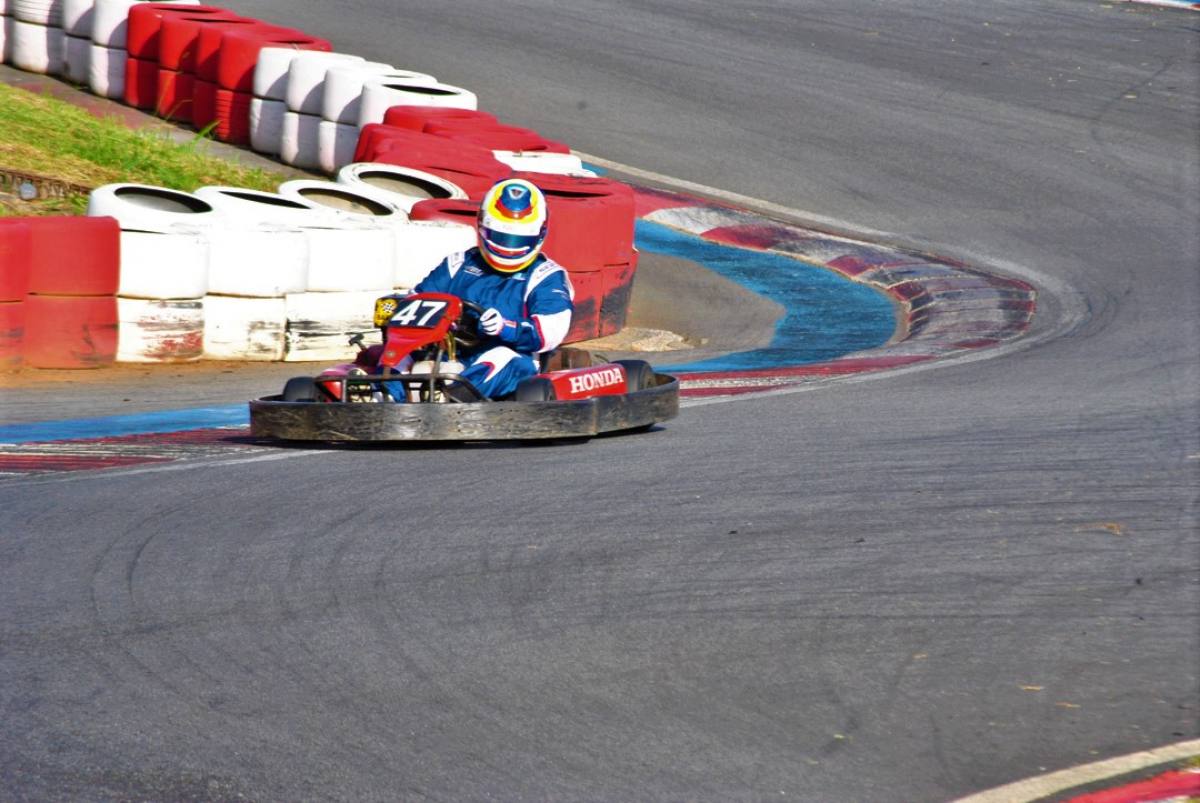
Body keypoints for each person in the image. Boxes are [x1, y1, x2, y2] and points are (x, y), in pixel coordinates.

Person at [397, 177, 573, 399]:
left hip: (511, 359)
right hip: (446, 354)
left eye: (518, 240)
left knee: (501, 357)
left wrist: (505, 327)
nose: (508, 247)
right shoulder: (458, 263)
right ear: (481, 226)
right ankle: (379, 395)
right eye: (500, 237)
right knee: (398, 354)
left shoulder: (545, 276)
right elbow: (419, 299)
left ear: (540, 234)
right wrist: (399, 307)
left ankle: (451, 399)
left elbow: (550, 332)